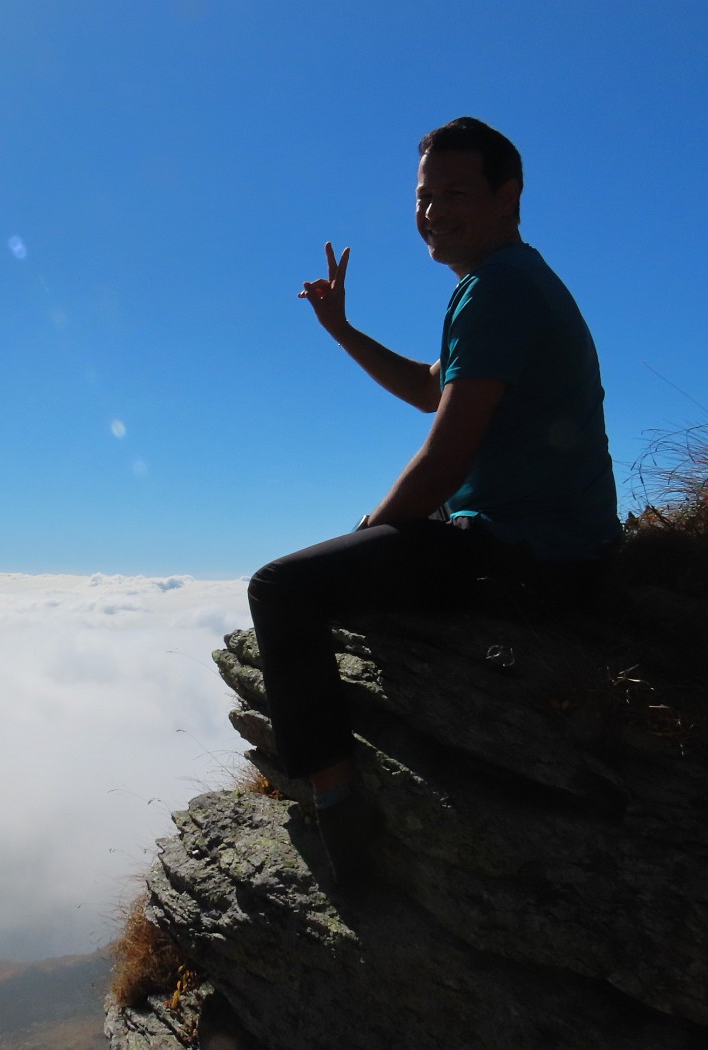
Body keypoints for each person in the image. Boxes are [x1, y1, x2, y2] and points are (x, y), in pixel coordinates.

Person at [248, 116, 620, 887]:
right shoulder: (508, 280)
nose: (433, 211)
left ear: (508, 193)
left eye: (455, 192)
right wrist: (341, 330)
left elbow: (445, 457)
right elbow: (432, 388)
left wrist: (370, 533)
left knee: (280, 589)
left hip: (526, 561)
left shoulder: (498, 288)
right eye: (424, 196)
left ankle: (340, 814)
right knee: (336, 578)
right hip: (555, 551)